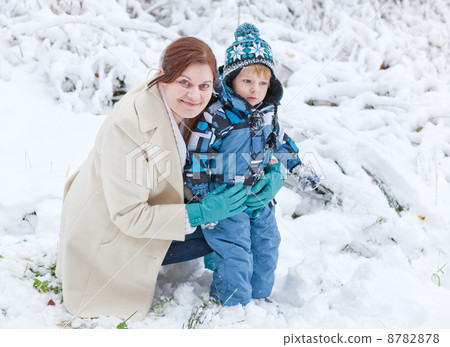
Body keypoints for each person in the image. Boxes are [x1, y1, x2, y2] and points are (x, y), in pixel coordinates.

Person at [55, 37, 248, 321]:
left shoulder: (199, 105)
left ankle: (240, 287)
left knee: (249, 207)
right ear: (163, 78)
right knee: (229, 223)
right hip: (111, 233)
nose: (195, 95)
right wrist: (200, 213)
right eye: (184, 82)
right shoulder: (130, 127)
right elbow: (129, 216)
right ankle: (234, 304)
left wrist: (271, 167)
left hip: (146, 211)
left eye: (204, 86)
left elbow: (248, 129)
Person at [184, 23, 320, 306]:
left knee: (267, 245)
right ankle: (232, 302)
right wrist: (205, 197)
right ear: (232, 79)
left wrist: (296, 167)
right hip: (225, 199)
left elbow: (280, 142)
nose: (255, 90)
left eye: (262, 83)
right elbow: (196, 156)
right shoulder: (216, 116)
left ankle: (258, 297)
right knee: (235, 252)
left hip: (259, 197)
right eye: (247, 81)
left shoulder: (268, 113)